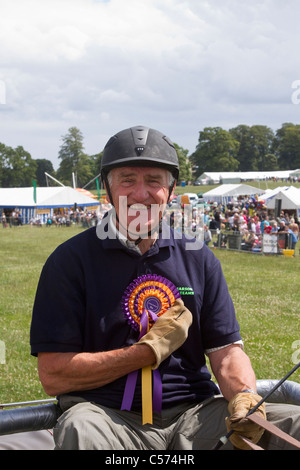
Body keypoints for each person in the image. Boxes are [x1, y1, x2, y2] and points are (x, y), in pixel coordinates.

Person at [30, 125, 300, 451]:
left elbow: (227, 353)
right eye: (127, 179)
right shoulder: (68, 262)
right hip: (107, 415)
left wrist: (244, 398)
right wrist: (144, 353)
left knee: (292, 424)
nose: (141, 194)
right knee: (80, 429)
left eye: (154, 181)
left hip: (194, 413)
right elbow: (55, 376)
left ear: (171, 191)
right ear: (107, 188)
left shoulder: (200, 259)